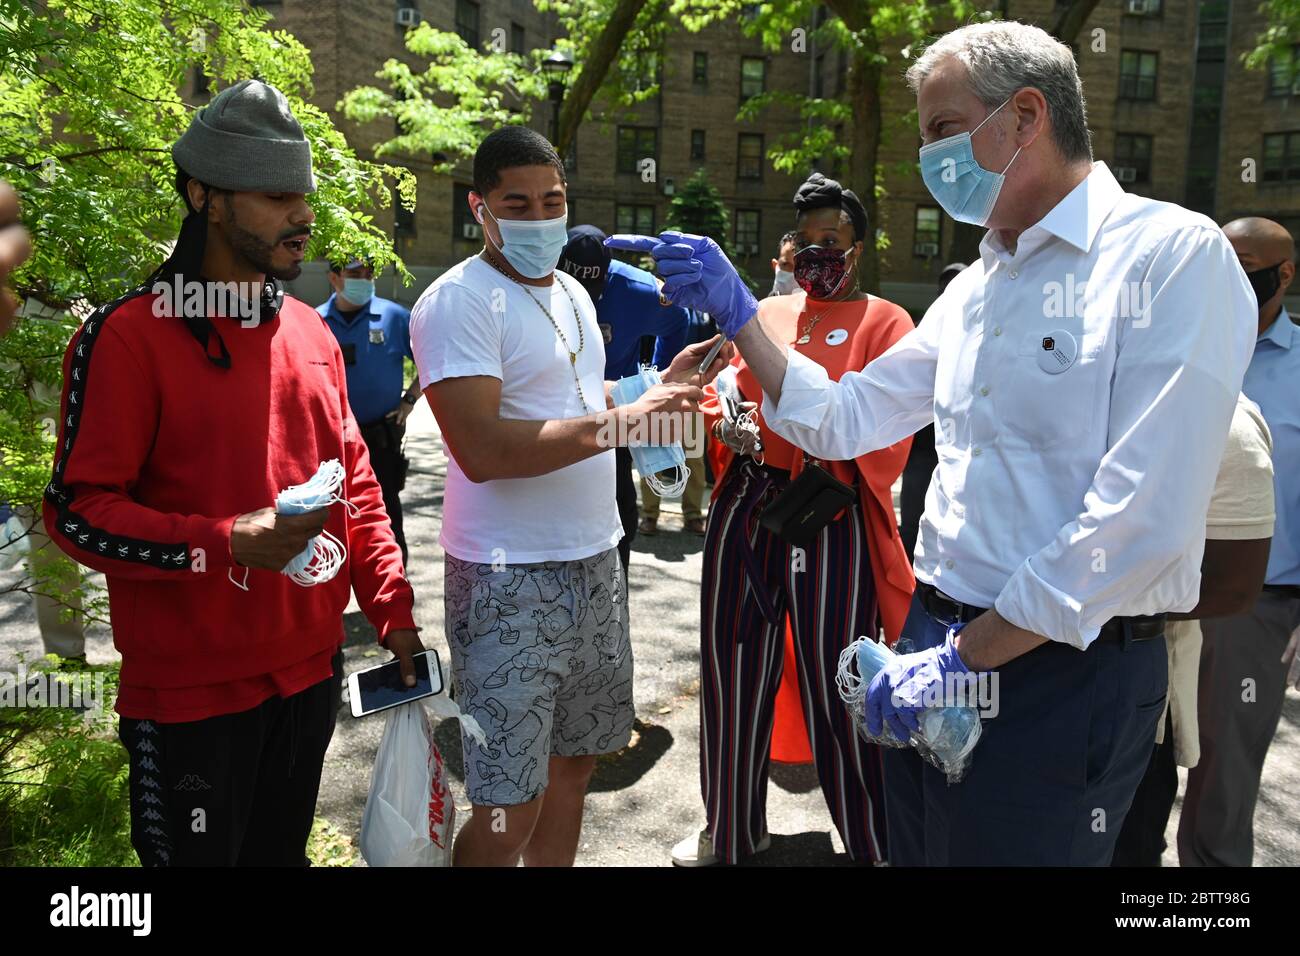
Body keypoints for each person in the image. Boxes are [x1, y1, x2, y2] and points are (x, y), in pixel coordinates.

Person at [611, 20, 1256, 865]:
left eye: (943, 131)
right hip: (933, 639)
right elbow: (844, 417)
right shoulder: (984, 281)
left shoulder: (1169, 258)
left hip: (1058, 670)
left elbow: (1140, 525)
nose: (928, 160)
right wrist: (742, 319)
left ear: (1026, 115)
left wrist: (964, 657)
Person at [42, 80, 423, 867]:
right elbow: (77, 514)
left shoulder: (311, 333)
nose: (304, 216)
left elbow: (355, 484)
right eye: (278, 196)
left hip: (308, 679)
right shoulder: (128, 336)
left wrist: (391, 607)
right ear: (206, 197)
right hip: (188, 703)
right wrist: (222, 542)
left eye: (305, 196)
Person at [410, 125, 729, 867]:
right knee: (505, 805)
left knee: (577, 765)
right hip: (505, 581)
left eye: (552, 200)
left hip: (596, 563)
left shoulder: (573, 295)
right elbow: (483, 450)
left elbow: (581, 400)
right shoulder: (457, 302)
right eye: (515, 203)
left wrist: (658, 386)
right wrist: (622, 419)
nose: (539, 217)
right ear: (479, 209)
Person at [669, 173, 915, 866]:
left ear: (856, 248)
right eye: (802, 241)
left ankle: (873, 839)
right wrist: (730, 424)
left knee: (839, 677)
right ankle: (732, 828)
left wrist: (804, 431)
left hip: (827, 511)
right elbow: (720, 393)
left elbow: (884, 430)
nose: (814, 255)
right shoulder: (766, 314)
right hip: (747, 501)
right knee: (730, 667)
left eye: (829, 241)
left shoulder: (887, 322)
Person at [1177, 217, 1300, 867]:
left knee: (1223, 766)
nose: (1227, 272)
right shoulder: (1171, 348)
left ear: (1283, 274)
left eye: (1243, 260)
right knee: (1124, 752)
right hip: (1144, 597)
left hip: (1251, 606)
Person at [1111, 392, 1274, 866]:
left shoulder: (1229, 418)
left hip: (1135, 696)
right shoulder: (1094, 382)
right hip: (1047, 682)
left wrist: (1091, 601)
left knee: (1126, 845)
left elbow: (1233, 586)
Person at [558, 225, 690, 560]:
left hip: (612, 418)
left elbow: (677, 322)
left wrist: (655, 382)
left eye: (592, 288)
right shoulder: (537, 278)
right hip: (552, 416)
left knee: (618, 518)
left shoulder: (639, 291)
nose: (584, 297)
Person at [317, 257, 420, 565]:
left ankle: (393, 579)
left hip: (381, 434)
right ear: (334, 278)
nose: (364, 279)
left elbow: (431, 360)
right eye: (354, 274)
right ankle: (336, 580)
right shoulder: (316, 321)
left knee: (385, 506)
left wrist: (409, 401)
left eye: (368, 274)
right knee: (333, 510)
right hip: (331, 438)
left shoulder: (393, 316)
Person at [897, 262, 964, 559]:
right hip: (922, 446)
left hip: (957, 448)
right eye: (944, 284)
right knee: (912, 516)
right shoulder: (929, 330)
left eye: (955, 283)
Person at [640, 305, 717, 535]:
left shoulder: (706, 311)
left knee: (693, 457)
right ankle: (649, 515)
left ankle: (693, 515)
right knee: (653, 455)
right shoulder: (657, 304)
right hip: (655, 391)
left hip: (692, 395)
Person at [768, 231, 799, 297]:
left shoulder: (823, 306)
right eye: (786, 264)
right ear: (775, 265)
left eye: (800, 266)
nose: (794, 273)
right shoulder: (763, 306)